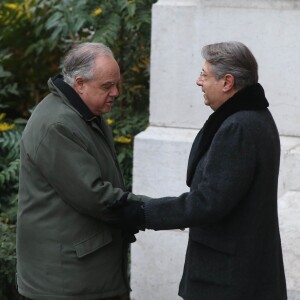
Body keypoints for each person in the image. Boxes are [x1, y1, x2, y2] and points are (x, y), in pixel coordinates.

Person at [107, 41, 288, 300]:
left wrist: (143, 213)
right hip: (240, 272)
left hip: (228, 280)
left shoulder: (238, 127)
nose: (198, 81)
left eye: (204, 74)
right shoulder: (254, 117)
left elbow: (207, 202)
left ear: (227, 82)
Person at [16, 42, 149, 300]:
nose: (116, 92)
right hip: (65, 282)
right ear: (79, 83)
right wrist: (153, 211)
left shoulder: (84, 113)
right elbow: (95, 196)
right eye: (107, 86)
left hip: (81, 273)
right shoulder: (58, 124)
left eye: (117, 84)